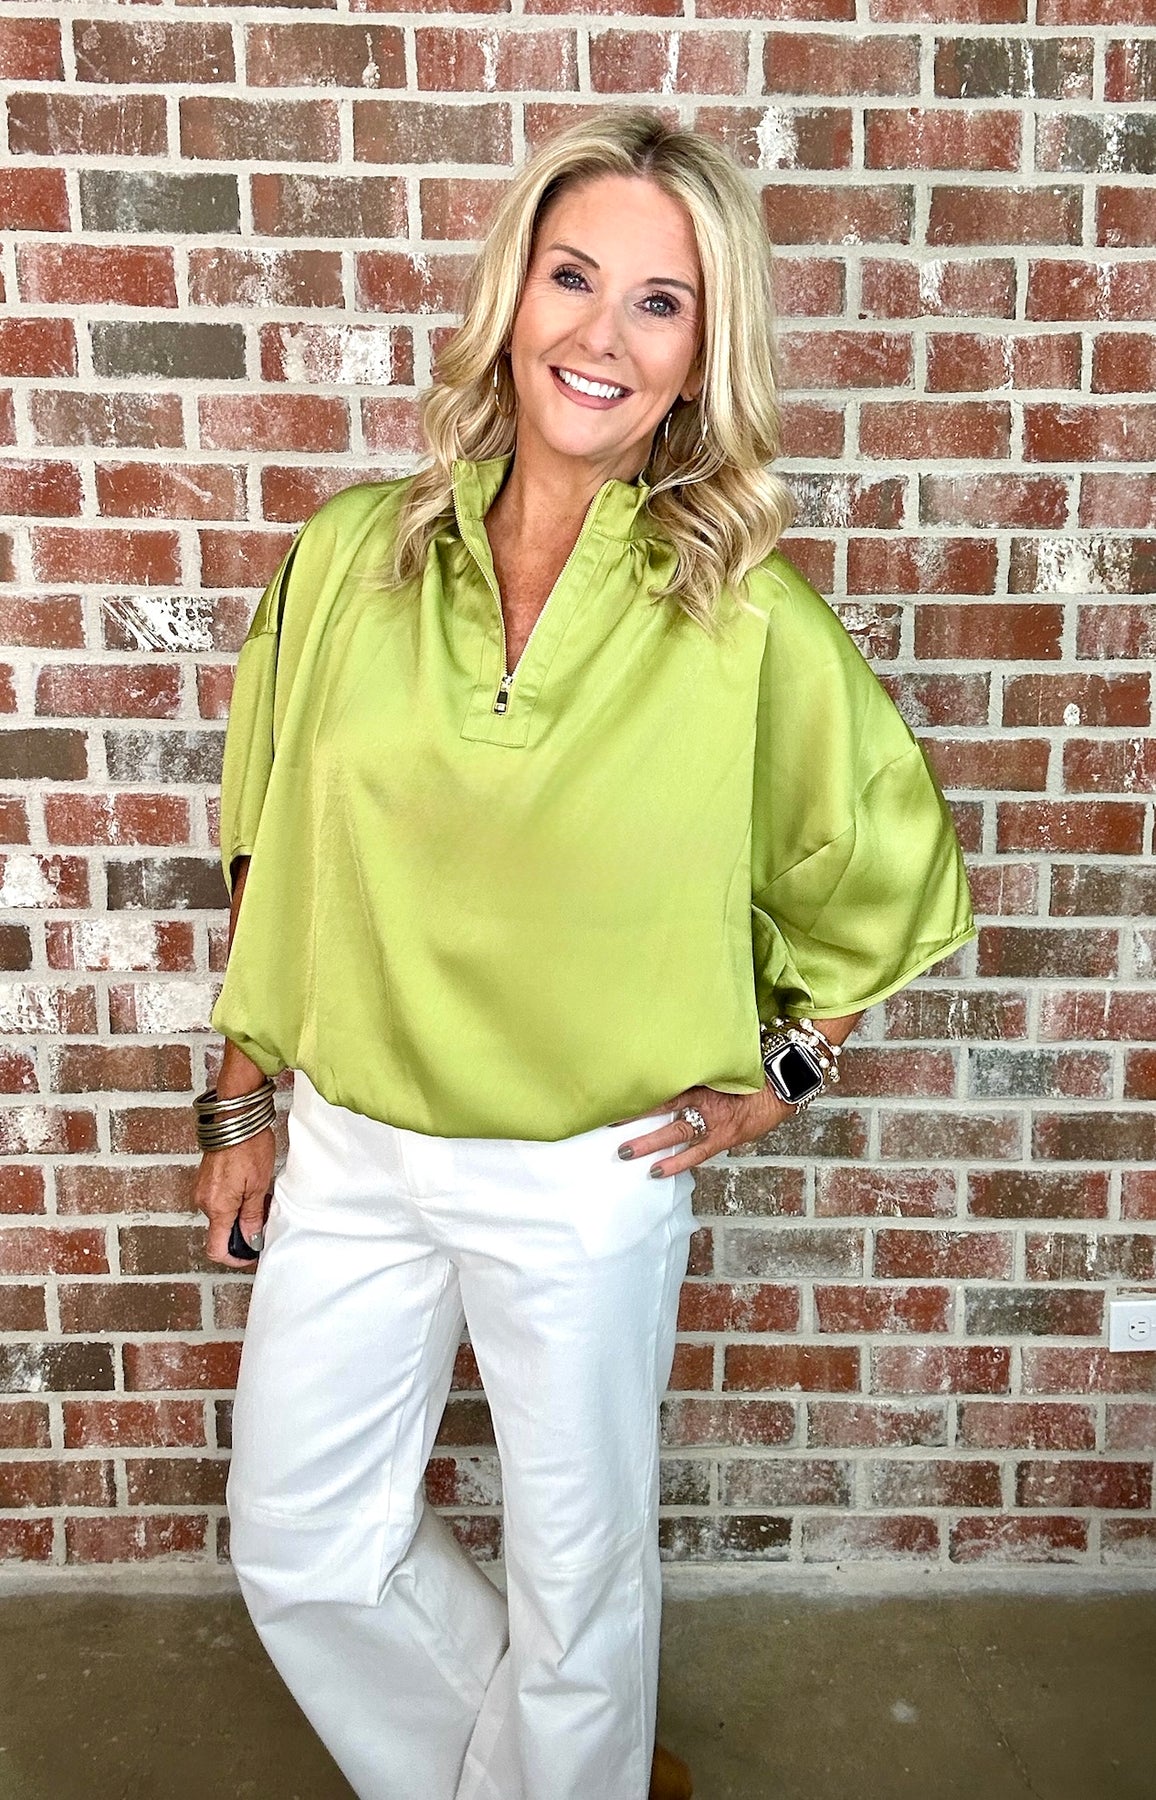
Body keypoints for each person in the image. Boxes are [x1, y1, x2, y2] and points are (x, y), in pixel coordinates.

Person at [195, 107, 975, 1800]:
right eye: (573, 277)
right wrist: (242, 1097)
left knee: (577, 1579)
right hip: (353, 1142)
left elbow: (883, 864)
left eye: (658, 301)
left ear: (697, 358)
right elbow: (276, 841)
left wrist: (783, 1074)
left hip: (582, 1172)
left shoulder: (742, 617)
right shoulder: (349, 556)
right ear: (514, 294)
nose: (600, 333)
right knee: (302, 1537)